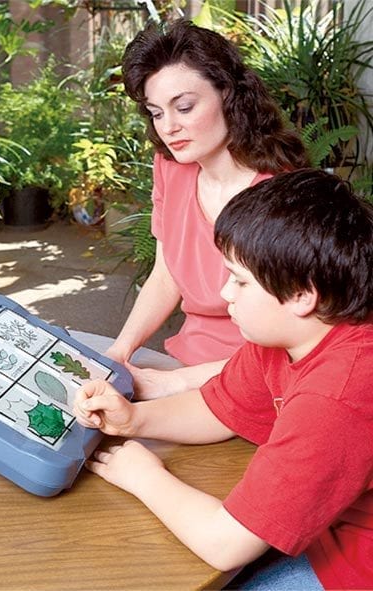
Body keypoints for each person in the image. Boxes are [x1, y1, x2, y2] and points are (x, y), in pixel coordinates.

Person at [74, 169, 373, 590]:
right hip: (324, 524)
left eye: (239, 280)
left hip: (352, 566)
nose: (225, 294)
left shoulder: (336, 395)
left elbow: (223, 543)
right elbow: (219, 406)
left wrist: (144, 475)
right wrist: (134, 421)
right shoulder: (288, 337)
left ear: (303, 295)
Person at [73, 19, 310, 400]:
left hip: (258, 380)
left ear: (229, 95)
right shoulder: (171, 167)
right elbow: (166, 277)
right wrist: (119, 351)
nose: (169, 127)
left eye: (183, 107)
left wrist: (175, 383)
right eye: (156, 112)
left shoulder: (280, 193)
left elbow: (296, 343)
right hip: (183, 363)